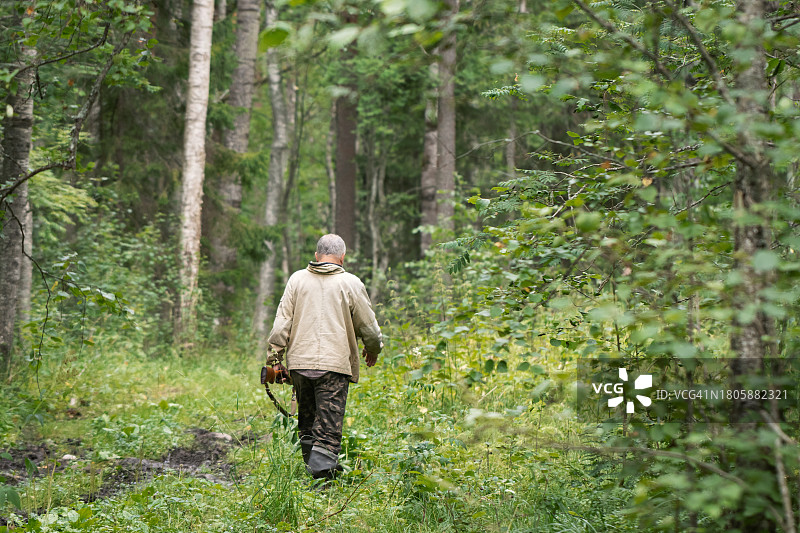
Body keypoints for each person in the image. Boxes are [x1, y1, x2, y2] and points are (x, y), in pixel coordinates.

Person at [266, 234, 382, 480]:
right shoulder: (351, 283)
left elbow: (280, 325)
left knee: (307, 422)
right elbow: (369, 327)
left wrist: (275, 359)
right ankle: (322, 487)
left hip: (299, 365)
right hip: (334, 367)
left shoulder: (297, 280)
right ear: (342, 257)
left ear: (317, 256)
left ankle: (312, 477)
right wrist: (373, 348)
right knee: (328, 427)